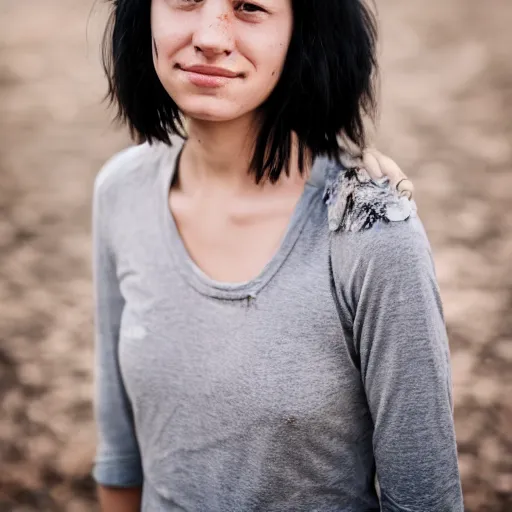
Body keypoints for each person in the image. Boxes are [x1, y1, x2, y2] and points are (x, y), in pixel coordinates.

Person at [92, 0, 463, 511]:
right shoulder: (120, 192)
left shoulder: (370, 229)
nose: (211, 36)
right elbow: (120, 454)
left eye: (249, 6)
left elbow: (424, 499)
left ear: (305, 32)